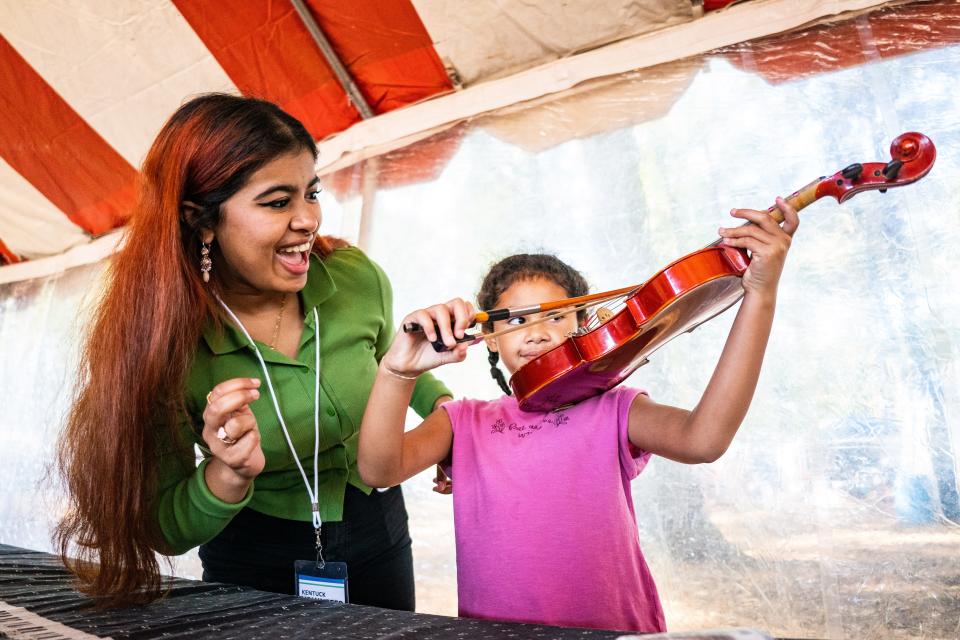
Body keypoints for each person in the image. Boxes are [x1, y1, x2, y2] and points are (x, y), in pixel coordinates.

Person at [55, 93, 451, 609]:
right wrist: (227, 474)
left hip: (380, 532)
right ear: (202, 220)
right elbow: (165, 532)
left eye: (312, 192)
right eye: (277, 202)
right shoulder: (162, 347)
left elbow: (391, 364)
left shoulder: (356, 279)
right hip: (252, 559)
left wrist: (442, 408)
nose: (308, 219)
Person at [357, 199, 799, 632]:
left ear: (584, 326)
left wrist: (760, 294)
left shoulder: (615, 409)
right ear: (488, 337)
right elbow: (379, 470)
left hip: (613, 630)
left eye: (556, 316)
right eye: (515, 321)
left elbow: (703, 441)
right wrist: (398, 371)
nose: (538, 332)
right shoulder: (463, 421)